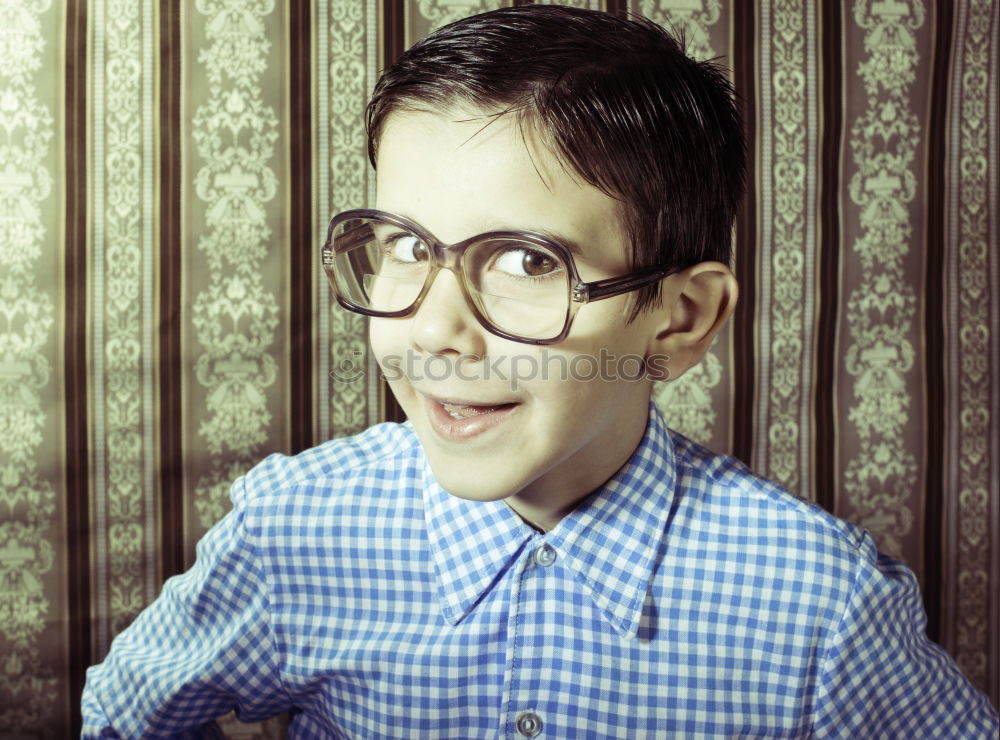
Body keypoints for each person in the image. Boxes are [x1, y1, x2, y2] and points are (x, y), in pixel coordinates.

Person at [82, 5, 998, 738]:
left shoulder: (820, 611)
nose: (435, 331)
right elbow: (121, 717)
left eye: (527, 262)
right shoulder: (295, 532)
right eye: (403, 246)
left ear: (679, 321)